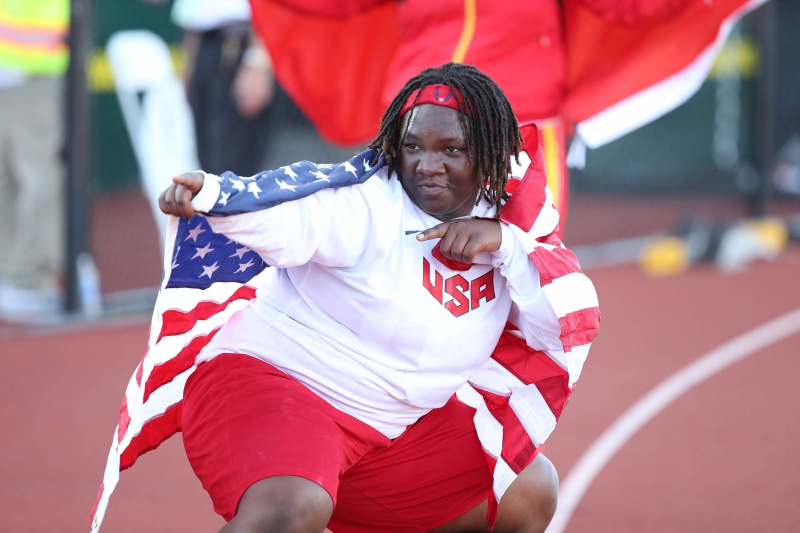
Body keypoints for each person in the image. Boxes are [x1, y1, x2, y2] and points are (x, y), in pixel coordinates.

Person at [89, 63, 600, 533]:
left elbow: (562, 325)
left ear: (488, 152)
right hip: (276, 385)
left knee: (528, 490)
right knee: (293, 508)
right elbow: (291, 215)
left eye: (452, 150)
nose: (428, 165)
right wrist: (216, 197)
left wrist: (506, 245)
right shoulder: (368, 202)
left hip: (390, 433)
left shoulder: (511, 221)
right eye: (413, 146)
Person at [248, 0, 765, 233]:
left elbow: (628, 6)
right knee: (405, 270)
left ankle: (508, 418)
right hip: (421, 122)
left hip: (522, 125)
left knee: (527, 268)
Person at [143, 0, 275, 176]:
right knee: (208, 167)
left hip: (241, 47)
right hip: (204, 46)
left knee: (234, 170)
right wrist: (190, 64)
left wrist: (257, 61)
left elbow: (272, 7)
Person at [0, 0, 69, 321]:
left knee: (21, 175)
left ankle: (19, 276)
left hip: (23, 64)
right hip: (27, 64)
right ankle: (27, 278)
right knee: (36, 174)